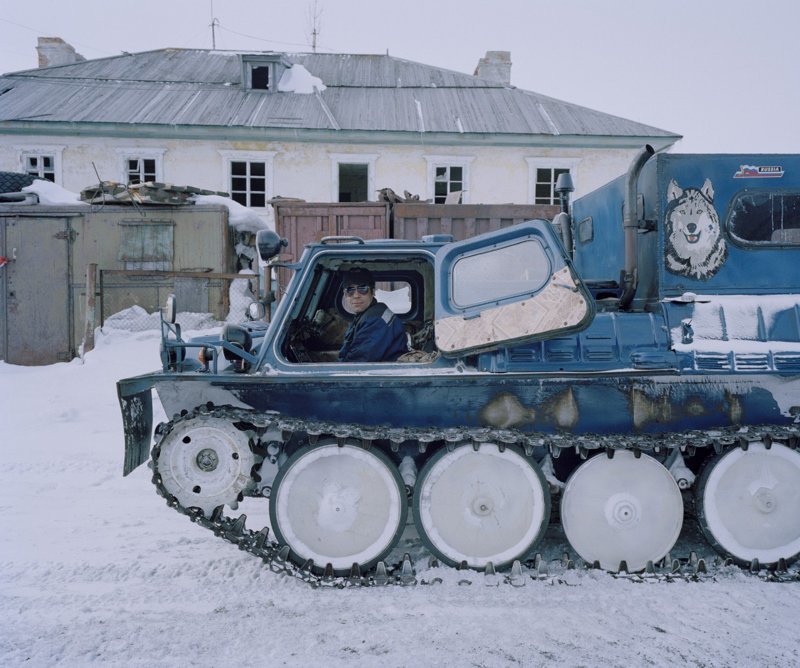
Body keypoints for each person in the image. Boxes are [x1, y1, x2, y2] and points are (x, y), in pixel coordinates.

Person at [338, 268, 408, 362]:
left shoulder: (375, 320)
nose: (356, 295)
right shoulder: (365, 315)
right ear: (345, 294)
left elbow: (356, 364)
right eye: (350, 290)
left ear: (373, 291)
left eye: (363, 289)